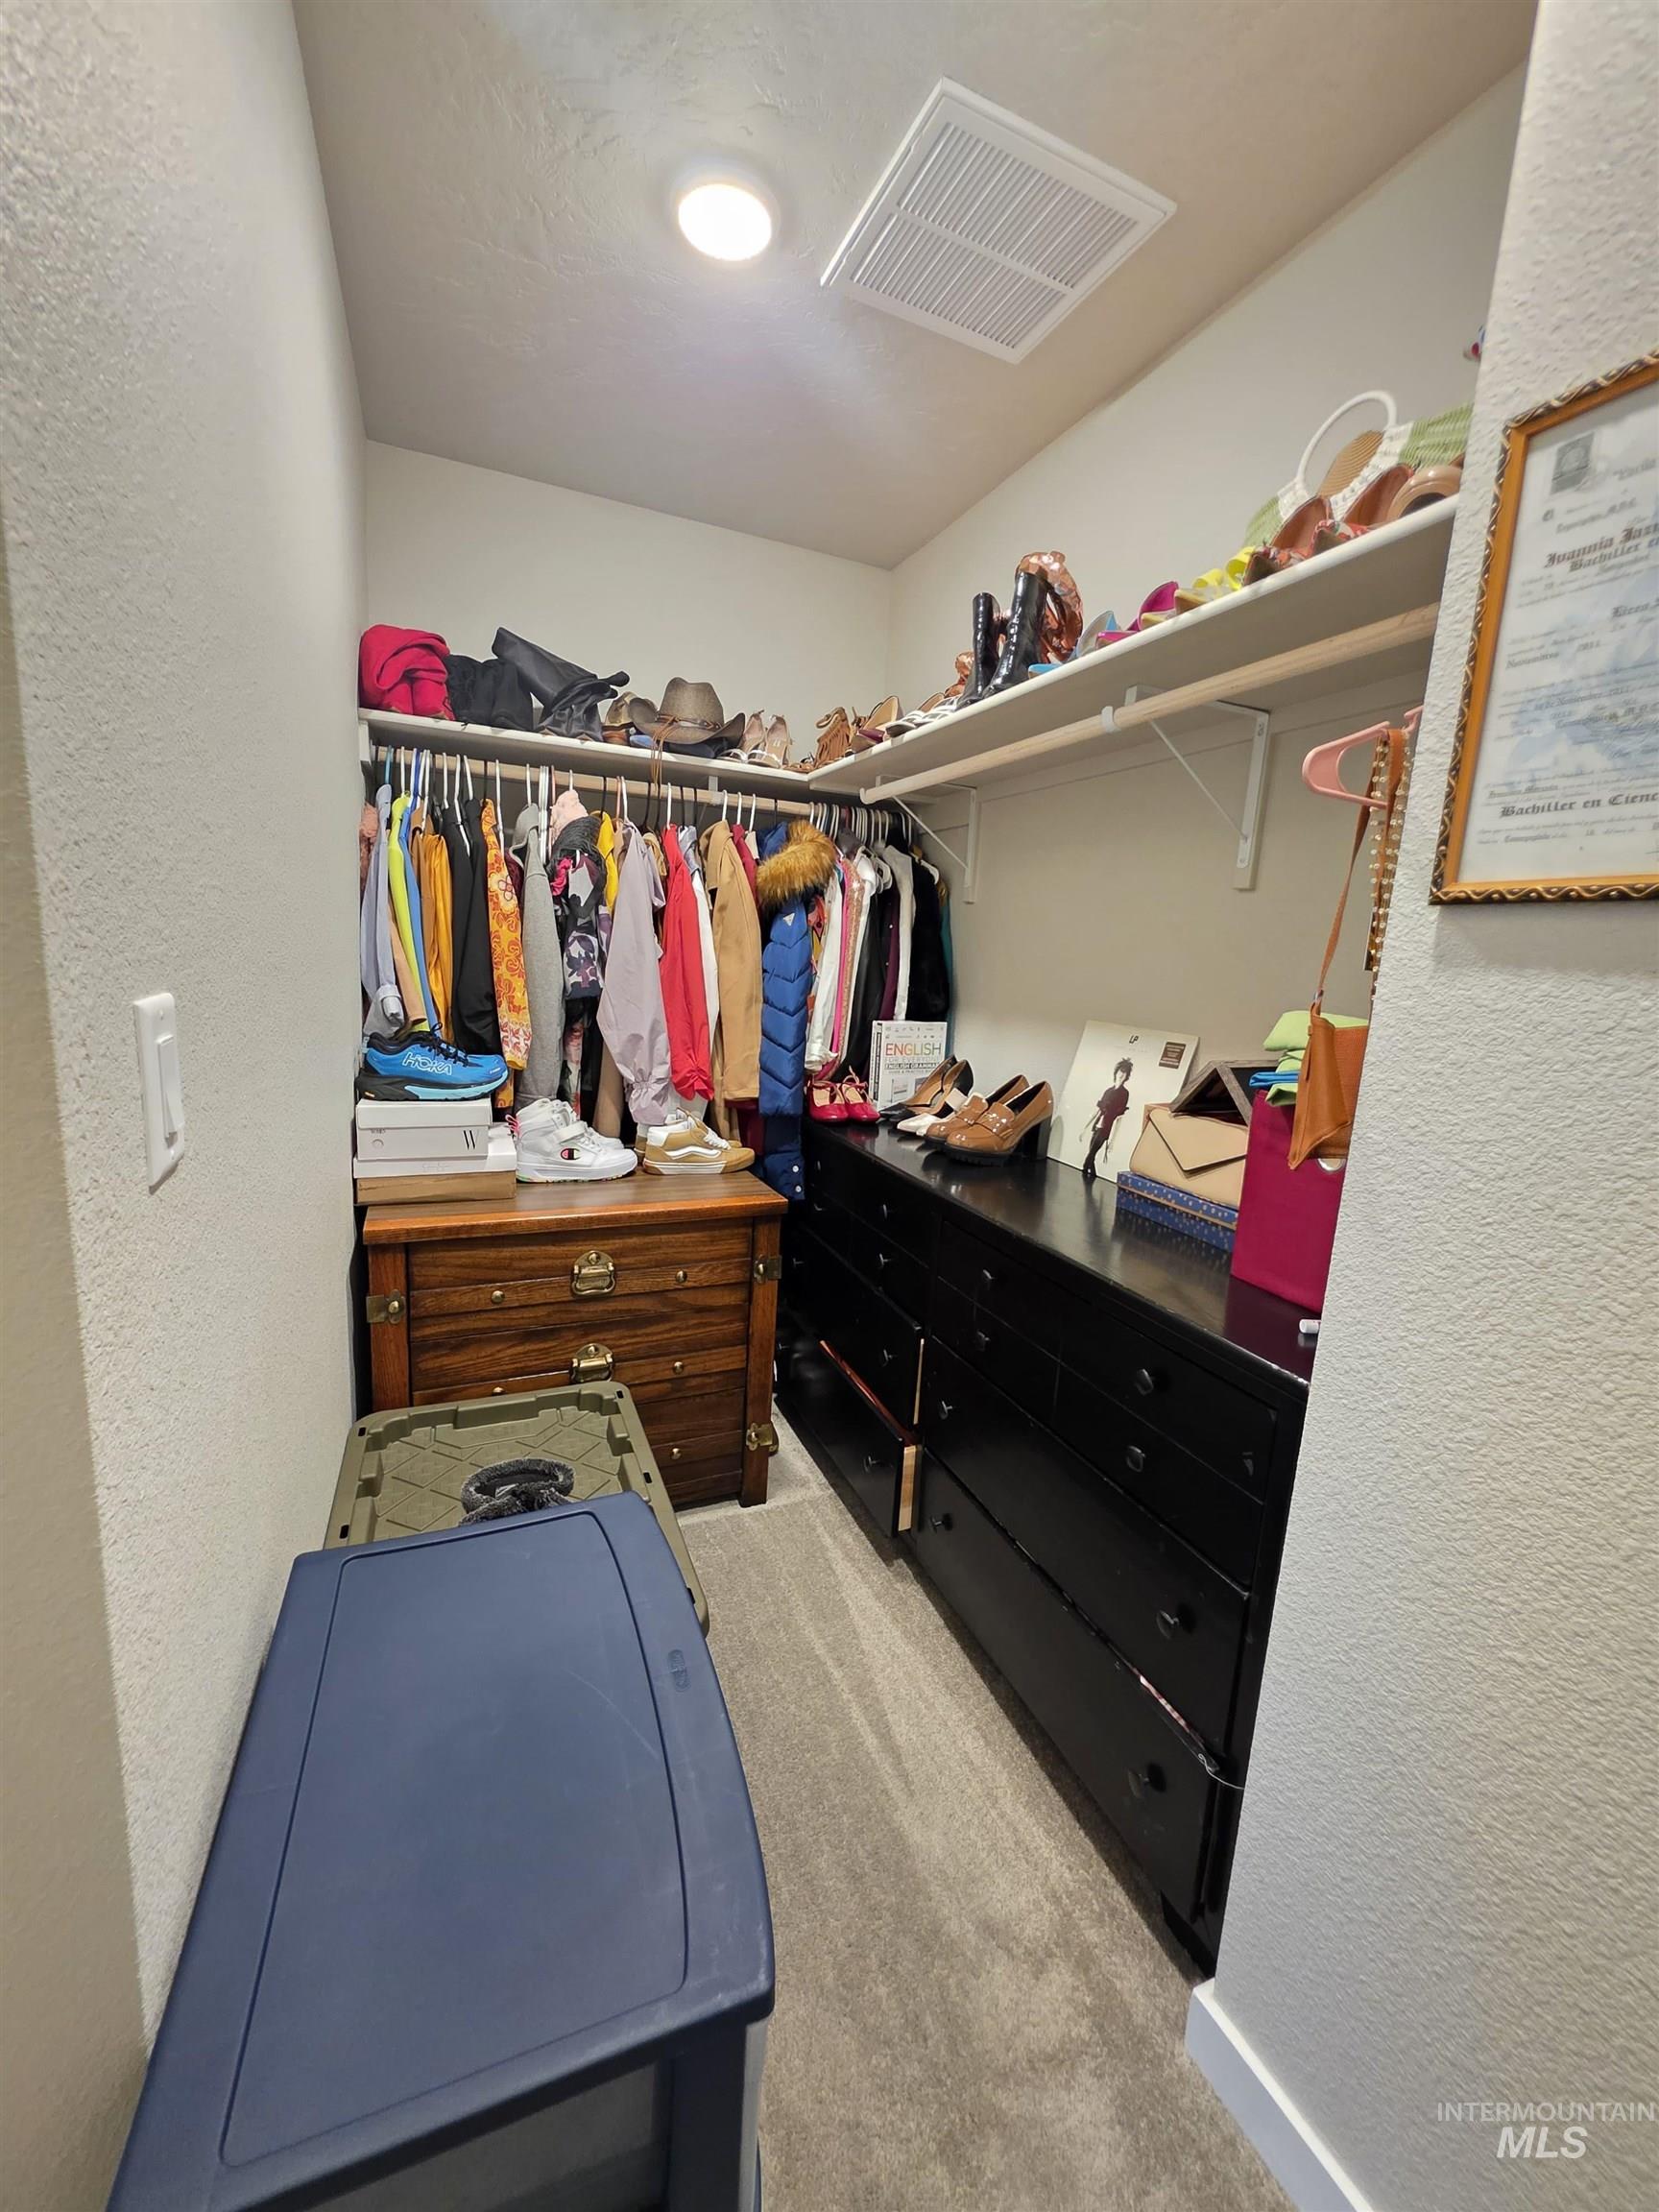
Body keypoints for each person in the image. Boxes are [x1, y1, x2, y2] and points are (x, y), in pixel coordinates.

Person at [1082, 1057, 1133, 1180]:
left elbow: (1119, 1119)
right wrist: (1085, 1128)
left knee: (1090, 1156)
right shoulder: (1108, 1091)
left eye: (1124, 1073)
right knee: (1091, 1155)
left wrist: (1112, 1141)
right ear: (1116, 1072)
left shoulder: (1124, 1094)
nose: (1121, 1075)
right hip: (1097, 1125)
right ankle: (1092, 1178)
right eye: (1120, 1071)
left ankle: (1084, 1173)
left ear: (1127, 1076)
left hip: (1106, 1128)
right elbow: (1098, 1111)